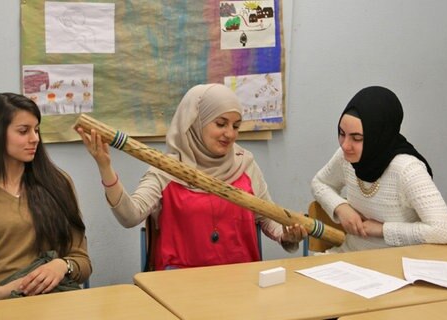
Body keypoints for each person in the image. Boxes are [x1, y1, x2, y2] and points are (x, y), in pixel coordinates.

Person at [77, 83, 307, 270]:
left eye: (236, 126)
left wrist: (287, 236)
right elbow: (129, 216)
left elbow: (267, 218)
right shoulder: (166, 169)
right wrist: (105, 167)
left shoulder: (245, 163)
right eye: (220, 123)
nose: (230, 134)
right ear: (195, 122)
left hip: (241, 284)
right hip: (179, 288)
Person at [0, 93, 91, 305]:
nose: (35, 139)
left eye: (37, 130)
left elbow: (83, 263)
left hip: (55, 304)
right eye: (24, 131)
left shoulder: (59, 184)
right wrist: (3, 292)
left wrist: (62, 266)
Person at [311, 86, 447, 253]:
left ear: (379, 135)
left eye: (357, 138)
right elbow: (320, 183)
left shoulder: (407, 170)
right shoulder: (345, 157)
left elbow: (443, 230)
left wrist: (382, 230)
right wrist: (341, 208)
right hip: (350, 258)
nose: (345, 145)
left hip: (396, 264)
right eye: (342, 133)